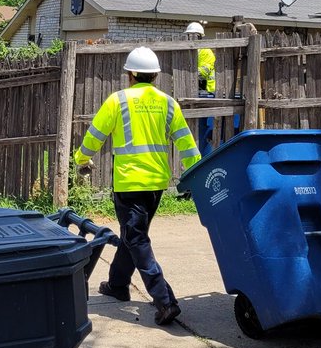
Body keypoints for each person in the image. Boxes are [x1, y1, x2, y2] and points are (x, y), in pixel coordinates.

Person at [73, 46, 201, 325]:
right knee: (133, 236)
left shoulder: (117, 101)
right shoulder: (168, 103)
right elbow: (187, 144)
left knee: (137, 239)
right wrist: (196, 173)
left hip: (129, 184)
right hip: (156, 185)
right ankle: (118, 285)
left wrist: (81, 158)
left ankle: (165, 300)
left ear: (130, 74)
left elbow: (94, 136)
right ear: (155, 75)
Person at [185, 21, 216, 157]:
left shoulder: (206, 52)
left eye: (193, 35)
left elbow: (202, 72)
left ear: (199, 37)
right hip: (197, 90)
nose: (190, 38)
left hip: (208, 91)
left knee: (203, 128)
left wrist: (186, 74)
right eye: (188, 35)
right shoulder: (190, 51)